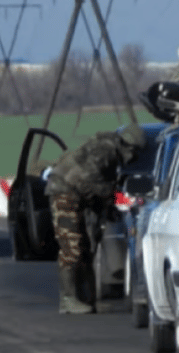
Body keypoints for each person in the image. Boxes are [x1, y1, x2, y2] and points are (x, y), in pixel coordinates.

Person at [45, 122, 147, 314]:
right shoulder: (104, 152)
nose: (133, 158)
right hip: (64, 192)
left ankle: (82, 297)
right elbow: (88, 182)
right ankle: (68, 300)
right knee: (72, 247)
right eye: (134, 152)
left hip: (77, 193)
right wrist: (111, 196)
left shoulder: (110, 151)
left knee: (85, 246)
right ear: (127, 146)